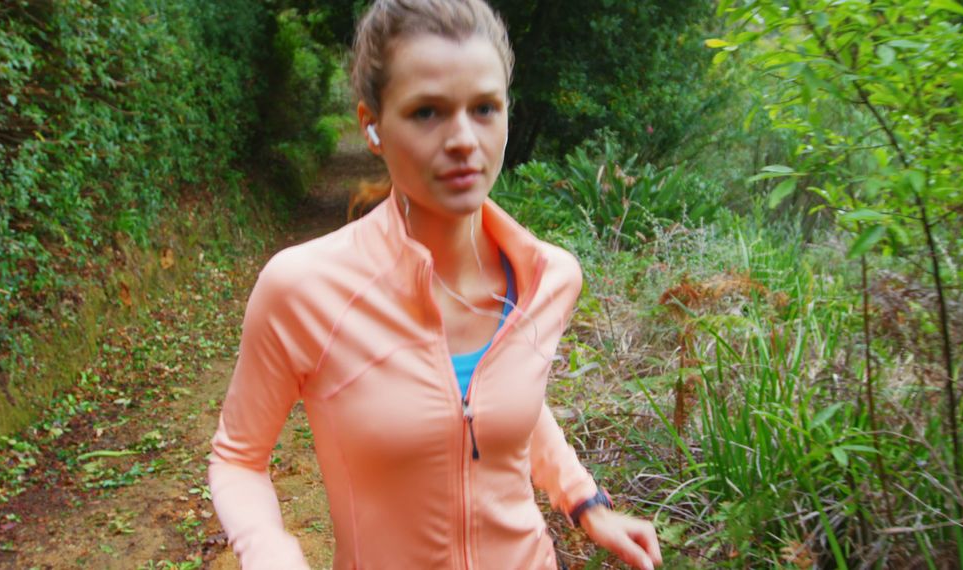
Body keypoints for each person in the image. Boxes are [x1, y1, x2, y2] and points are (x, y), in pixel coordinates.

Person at [207, 1, 663, 568]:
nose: (464, 140)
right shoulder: (302, 290)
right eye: (427, 112)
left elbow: (504, 407)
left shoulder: (549, 278)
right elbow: (238, 458)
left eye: (485, 108)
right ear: (371, 125)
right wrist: (270, 551)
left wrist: (586, 500)